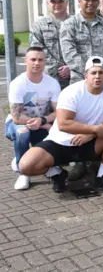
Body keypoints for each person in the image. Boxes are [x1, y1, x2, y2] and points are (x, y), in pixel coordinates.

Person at [18, 56, 103, 193]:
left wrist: (91, 134)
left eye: (101, 72)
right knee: (26, 165)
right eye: (93, 73)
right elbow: (63, 124)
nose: (97, 76)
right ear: (86, 75)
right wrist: (94, 129)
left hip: (91, 141)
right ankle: (57, 173)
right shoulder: (71, 91)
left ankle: (102, 175)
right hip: (61, 141)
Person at [6, 47, 60, 190]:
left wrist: (42, 121)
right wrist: (43, 124)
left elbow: (58, 112)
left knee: (53, 135)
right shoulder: (18, 83)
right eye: (33, 59)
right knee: (22, 132)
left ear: (45, 62)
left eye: (40, 59)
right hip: (18, 124)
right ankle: (22, 171)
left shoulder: (52, 83)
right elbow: (16, 118)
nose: (37, 63)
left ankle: (47, 166)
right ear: (25, 61)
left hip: (40, 121)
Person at [60, 0, 103, 84]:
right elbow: (69, 54)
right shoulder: (69, 24)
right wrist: (89, 73)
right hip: (80, 80)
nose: (90, 3)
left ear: (98, 1)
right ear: (79, 1)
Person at [29, 0, 71, 89]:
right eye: (53, 1)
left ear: (66, 3)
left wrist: (71, 67)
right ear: (47, 3)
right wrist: (55, 68)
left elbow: (83, 48)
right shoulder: (39, 25)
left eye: (60, 1)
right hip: (47, 76)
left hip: (73, 76)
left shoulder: (75, 23)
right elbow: (36, 50)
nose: (57, 5)